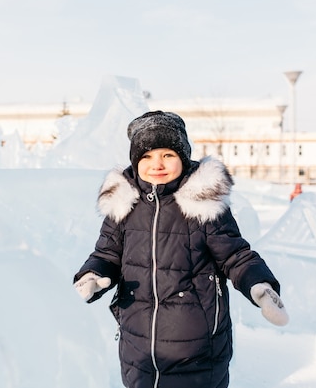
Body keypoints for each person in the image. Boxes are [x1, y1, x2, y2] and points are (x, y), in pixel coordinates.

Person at [73, 111, 288, 388]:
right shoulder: (123, 205)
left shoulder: (202, 203)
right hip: (138, 344)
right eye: (147, 157)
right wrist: (92, 275)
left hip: (197, 347)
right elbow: (107, 254)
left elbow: (235, 255)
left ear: (183, 157)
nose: (157, 164)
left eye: (168, 155)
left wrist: (260, 286)